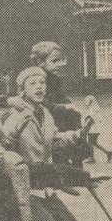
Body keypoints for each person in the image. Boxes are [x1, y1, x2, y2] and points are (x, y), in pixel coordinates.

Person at [2, 67, 108, 221]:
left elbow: (53, 139)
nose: (39, 87)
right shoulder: (16, 116)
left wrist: (76, 135)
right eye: (33, 84)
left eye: (42, 83)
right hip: (25, 190)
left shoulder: (45, 114)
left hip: (46, 187)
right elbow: (4, 146)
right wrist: (13, 136)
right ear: (22, 90)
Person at [30, 41, 86, 169]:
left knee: (75, 119)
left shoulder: (55, 78)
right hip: (42, 119)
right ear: (40, 62)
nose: (60, 64)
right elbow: (40, 103)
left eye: (60, 60)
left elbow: (61, 96)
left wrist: (70, 105)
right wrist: (64, 107)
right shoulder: (36, 80)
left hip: (55, 115)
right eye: (55, 61)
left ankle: (76, 162)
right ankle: (63, 164)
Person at [82, 95, 112, 163]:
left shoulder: (91, 109)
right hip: (97, 128)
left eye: (86, 101)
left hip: (93, 128)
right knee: (94, 143)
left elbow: (90, 118)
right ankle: (107, 152)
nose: (85, 103)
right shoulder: (96, 108)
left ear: (90, 102)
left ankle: (91, 157)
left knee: (89, 142)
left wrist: (85, 124)